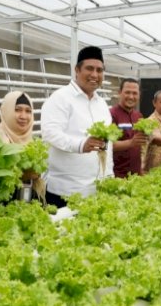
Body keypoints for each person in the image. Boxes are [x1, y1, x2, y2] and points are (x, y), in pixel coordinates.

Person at [41, 46, 113, 208]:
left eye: (99, 70)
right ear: (77, 70)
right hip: (65, 192)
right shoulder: (60, 98)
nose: (95, 74)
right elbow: (50, 133)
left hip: (96, 190)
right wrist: (81, 145)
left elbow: (108, 146)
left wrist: (109, 175)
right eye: (89, 68)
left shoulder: (101, 104)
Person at [0, 91, 40, 202]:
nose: (23, 116)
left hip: (25, 204)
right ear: (7, 110)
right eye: (17, 110)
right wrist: (20, 176)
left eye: (28, 111)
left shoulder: (32, 141)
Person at [110, 78, 148, 178]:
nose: (131, 97)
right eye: (127, 92)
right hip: (117, 176)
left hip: (136, 175)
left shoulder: (138, 116)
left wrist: (140, 169)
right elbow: (108, 145)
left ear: (139, 95)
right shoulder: (111, 114)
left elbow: (139, 146)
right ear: (119, 93)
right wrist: (131, 142)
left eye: (135, 93)